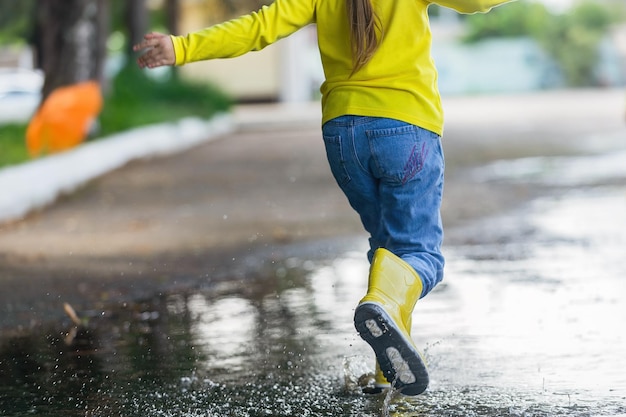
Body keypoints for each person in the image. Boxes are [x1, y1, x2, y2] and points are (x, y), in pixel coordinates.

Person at [134, 0, 513, 396]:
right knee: (419, 255)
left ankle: (389, 375)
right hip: (406, 129)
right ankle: (384, 310)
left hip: (343, 137)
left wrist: (181, 47)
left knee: (389, 250)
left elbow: (258, 28)